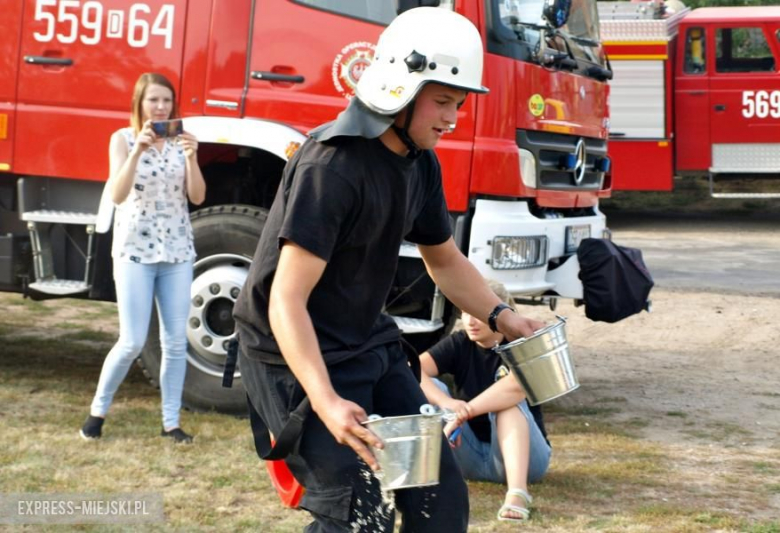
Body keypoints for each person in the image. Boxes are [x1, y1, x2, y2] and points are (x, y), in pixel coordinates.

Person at [232, 7, 545, 532]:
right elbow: (285, 300)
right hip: (292, 357)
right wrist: (326, 402)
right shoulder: (331, 166)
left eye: (458, 104)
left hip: (367, 344)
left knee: (440, 503)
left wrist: (502, 315)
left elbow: (443, 258)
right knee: (357, 513)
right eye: (442, 101)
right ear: (401, 87)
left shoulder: (419, 161)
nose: (452, 117)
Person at [79, 72, 206, 444]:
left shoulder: (181, 142)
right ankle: (97, 412)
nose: (161, 107)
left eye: (167, 100)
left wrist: (193, 158)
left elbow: (197, 196)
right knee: (132, 340)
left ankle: (171, 423)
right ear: (140, 104)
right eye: (154, 100)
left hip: (178, 250)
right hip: (135, 251)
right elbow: (117, 194)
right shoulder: (122, 139)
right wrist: (137, 151)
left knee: (175, 342)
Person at [419, 279, 552, 523]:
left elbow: (516, 387)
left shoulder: (520, 343)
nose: (469, 320)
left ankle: (518, 494)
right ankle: (420, 478)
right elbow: (413, 369)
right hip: (469, 456)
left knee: (507, 406)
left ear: (500, 314)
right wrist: (446, 402)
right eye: (465, 311)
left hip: (527, 461)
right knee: (432, 390)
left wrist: (464, 411)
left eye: (478, 313)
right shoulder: (460, 342)